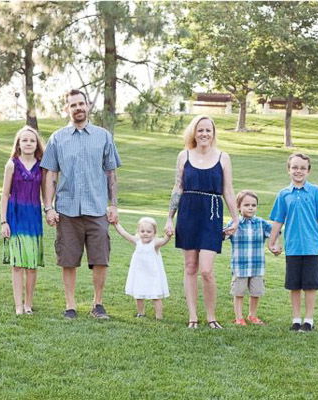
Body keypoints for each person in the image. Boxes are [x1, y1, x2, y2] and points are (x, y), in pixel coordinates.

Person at [41, 89, 122, 320]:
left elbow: (111, 173)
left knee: (100, 258)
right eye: (73, 105)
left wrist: (113, 205)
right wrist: (49, 207)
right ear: (66, 109)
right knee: (68, 259)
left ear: (88, 106)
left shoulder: (103, 136)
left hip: (96, 208)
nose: (78, 108)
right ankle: (70, 306)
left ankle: (98, 304)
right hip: (67, 209)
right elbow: (51, 175)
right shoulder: (57, 138)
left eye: (81, 104)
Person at [165, 115, 239, 329]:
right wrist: (170, 217)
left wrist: (235, 219)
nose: (204, 134)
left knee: (206, 270)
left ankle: (211, 317)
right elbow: (177, 187)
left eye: (208, 130)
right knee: (190, 267)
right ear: (194, 133)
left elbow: (228, 189)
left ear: (213, 133)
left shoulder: (223, 157)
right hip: (188, 212)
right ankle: (193, 317)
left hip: (212, 214)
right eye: (200, 130)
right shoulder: (184, 155)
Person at [268, 153, 318, 332]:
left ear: (308, 171)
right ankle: (296, 319)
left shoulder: (316, 192)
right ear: (289, 170)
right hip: (293, 248)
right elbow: (278, 220)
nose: (298, 171)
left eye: (303, 168)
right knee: (294, 285)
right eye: (295, 167)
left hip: (312, 247)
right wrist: (272, 241)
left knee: (310, 285)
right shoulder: (283, 194)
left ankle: (308, 320)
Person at [0, 125, 46, 315]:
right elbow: (4, 195)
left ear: (37, 144)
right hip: (16, 217)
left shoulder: (42, 166)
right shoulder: (12, 164)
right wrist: (3, 221)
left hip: (33, 219)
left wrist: (51, 210)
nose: (28, 143)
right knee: (18, 264)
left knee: (32, 265)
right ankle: (18, 305)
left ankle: (28, 304)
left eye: (32, 140)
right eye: (24, 140)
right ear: (18, 143)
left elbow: (46, 195)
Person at [225, 190, 274, 326]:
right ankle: (239, 317)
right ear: (238, 207)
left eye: (253, 205)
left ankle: (252, 315)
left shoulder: (261, 223)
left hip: (257, 265)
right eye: (246, 205)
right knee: (239, 292)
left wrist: (275, 245)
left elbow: (274, 233)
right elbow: (223, 236)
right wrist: (225, 232)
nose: (251, 208)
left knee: (256, 292)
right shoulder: (235, 224)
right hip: (240, 266)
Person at [114, 217, 172, 320]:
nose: (145, 233)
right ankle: (141, 313)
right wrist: (116, 224)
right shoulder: (137, 241)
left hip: (153, 275)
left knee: (156, 296)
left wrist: (168, 236)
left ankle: (159, 316)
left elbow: (164, 241)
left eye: (149, 232)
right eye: (142, 231)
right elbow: (124, 234)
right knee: (139, 295)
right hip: (139, 274)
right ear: (138, 232)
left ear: (154, 233)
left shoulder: (155, 243)